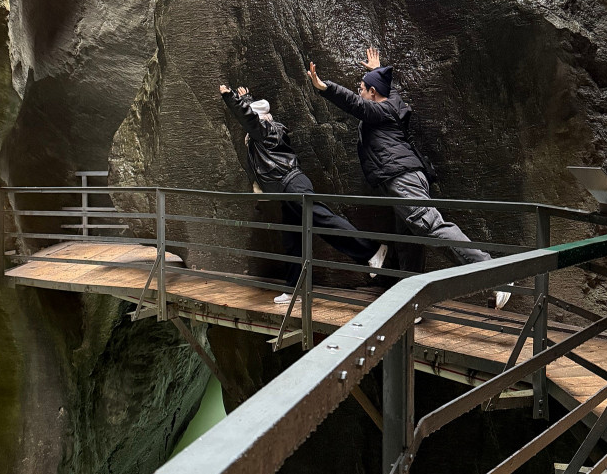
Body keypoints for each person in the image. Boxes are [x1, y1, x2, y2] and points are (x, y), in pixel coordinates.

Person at [307, 48, 511, 309]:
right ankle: (413, 304)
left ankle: (494, 274)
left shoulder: (380, 110)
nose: (359, 92)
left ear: (373, 93)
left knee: (430, 225)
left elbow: (355, 104)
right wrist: (376, 71)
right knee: (409, 243)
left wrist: (325, 87)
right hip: (406, 176)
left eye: (362, 88)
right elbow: (384, 91)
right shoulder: (392, 102)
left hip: (401, 178)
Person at [219, 83, 387, 303]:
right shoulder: (267, 130)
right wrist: (247, 100)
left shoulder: (265, 130)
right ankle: (294, 290)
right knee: (292, 241)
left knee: (322, 220)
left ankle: (372, 250)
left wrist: (230, 98)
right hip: (287, 189)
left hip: (292, 184)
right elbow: (252, 115)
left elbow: (248, 118)